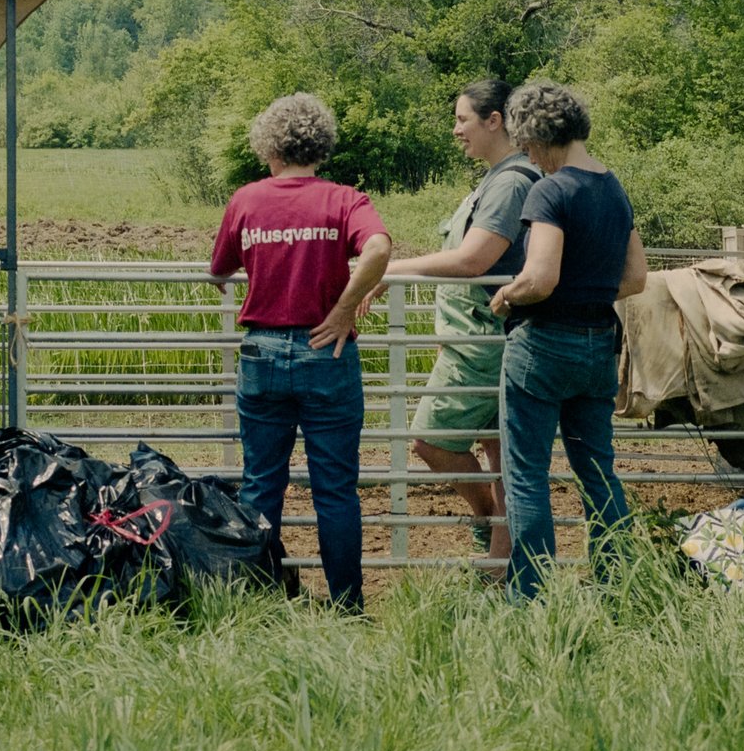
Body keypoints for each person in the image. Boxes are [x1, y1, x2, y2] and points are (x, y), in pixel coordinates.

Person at [210, 93, 391, 612]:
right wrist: (342, 308)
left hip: (263, 352)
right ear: (321, 145)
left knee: (261, 484)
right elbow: (378, 248)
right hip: (326, 351)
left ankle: (256, 602)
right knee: (335, 489)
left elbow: (219, 268)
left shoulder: (246, 200)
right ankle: (347, 606)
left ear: (269, 146)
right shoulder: (344, 200)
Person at [484, 80, 645, 599]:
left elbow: (541, 278)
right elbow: (636, 276)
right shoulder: (615, 188)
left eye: (528, 145)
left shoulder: (550, 189)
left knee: (527, 474)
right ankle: (617, 584)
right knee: (598, 472)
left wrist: (511, 292)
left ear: (539, 136)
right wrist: (589, 291)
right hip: (599, 344)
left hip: (543, 348)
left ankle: (528, 595)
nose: (529, 154)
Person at [380, 78, 539, 570]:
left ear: (495, 121)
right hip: (479, 338)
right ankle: (502, 561)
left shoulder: (511, 183)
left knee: (432, 440)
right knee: (498, 453)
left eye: (462, 119)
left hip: (481, 342)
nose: (455, 130)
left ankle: (491, 524)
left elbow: (474, 260)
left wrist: (387, 270)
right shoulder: (498, 178)